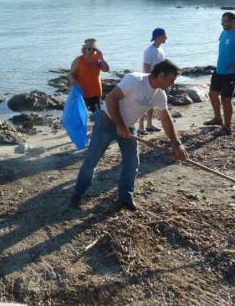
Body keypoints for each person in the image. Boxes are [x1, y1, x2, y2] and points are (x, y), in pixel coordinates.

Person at [70, 59, 188, 211]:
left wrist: (176, 143)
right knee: (92, 160)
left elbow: (165, 119)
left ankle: (126, 198)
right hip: (107, 122)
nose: (172, 84)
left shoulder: (160, 95)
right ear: (161, 75)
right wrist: (119, 125)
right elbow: (111, 98)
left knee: (132, 163)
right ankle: (77, 193)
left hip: (128, 128)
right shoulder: (135, 80)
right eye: (171, 80)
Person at [138, 28, 167, 135]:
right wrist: (154, 79)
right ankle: (140, 127)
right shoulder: (149, 50)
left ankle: (149, 125)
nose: (166, 37)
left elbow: (162, 65)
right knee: (143, 104)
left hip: (158, 81)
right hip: (148, 80)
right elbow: (146, 68)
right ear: (158, 37)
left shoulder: (161, 49)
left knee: (151, 104)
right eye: (164, 36)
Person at [69, 38, 110, 112]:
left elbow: (106, 69)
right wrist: (74, 85)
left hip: (96, 92)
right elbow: (71, 74)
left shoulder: (97, 59)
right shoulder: (79, 60)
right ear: (84, 49)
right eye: (89, 49)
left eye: (93, 49)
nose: (91, 51)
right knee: (81, 114)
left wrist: (102, 58)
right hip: (83, 92)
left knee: (97, 114)